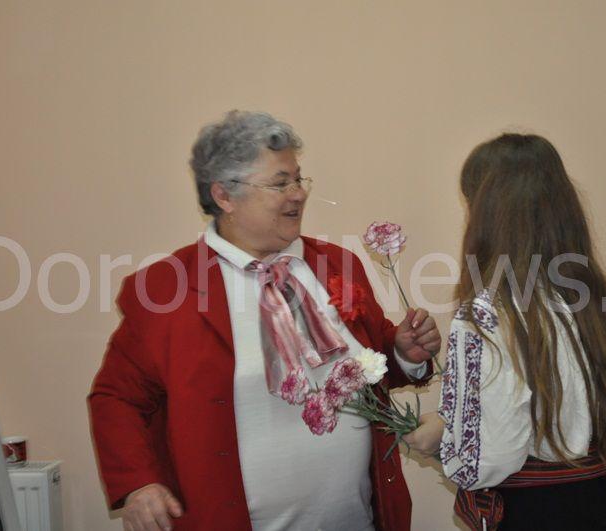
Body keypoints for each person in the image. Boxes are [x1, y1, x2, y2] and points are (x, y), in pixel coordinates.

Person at [88, 111, 440, 531]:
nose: (298, 194)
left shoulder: (337, 264)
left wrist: (404, 353)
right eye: (280, 183)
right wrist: (139, 483)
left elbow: (372, 363)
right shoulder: (165, 289)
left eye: (299, 179)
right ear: (224, 196)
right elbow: (117, 398)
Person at [404, 133, 606, 530]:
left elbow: (489, 459)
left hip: (535, 512)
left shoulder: (486, 314)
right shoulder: (587, 296)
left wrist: (444, 441)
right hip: (602, 501)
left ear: (487, 216)